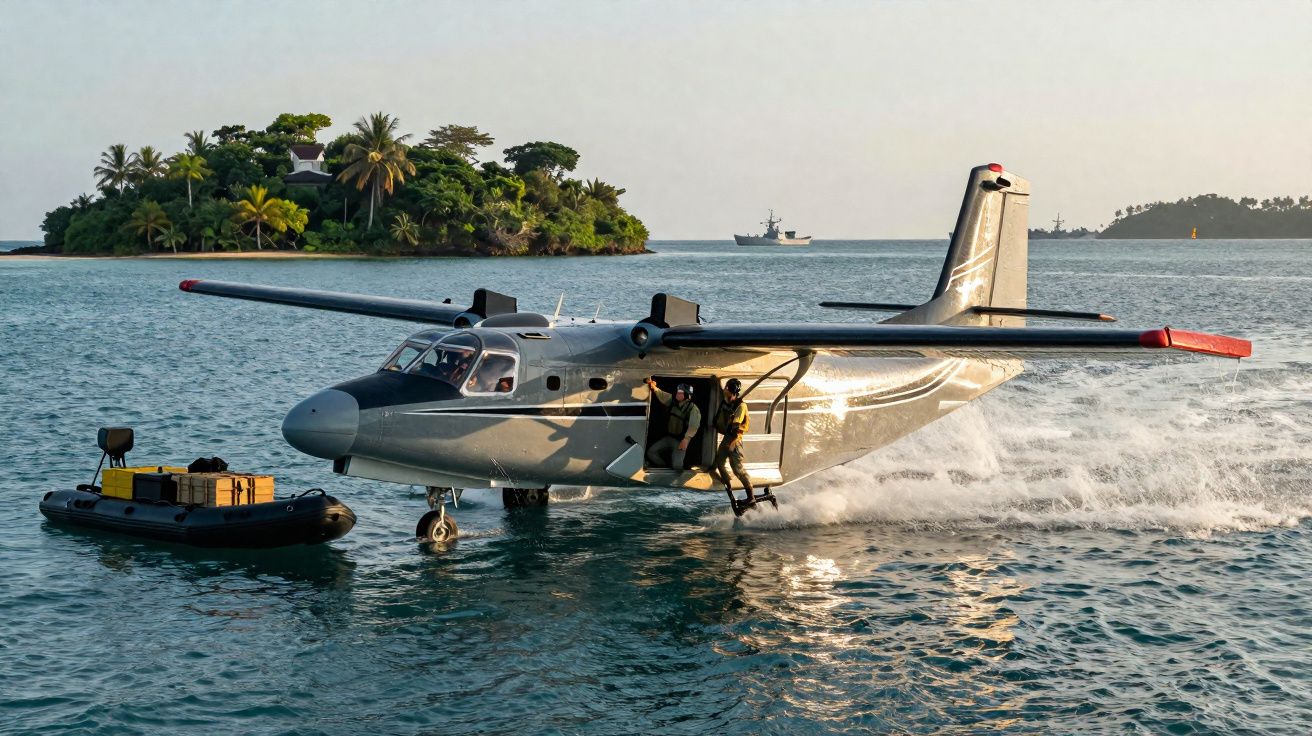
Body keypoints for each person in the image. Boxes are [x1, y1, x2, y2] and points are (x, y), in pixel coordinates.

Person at [712, 377, 754, 505]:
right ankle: (728, 484)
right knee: (719, 461)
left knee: (737, 469)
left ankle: (750, 496)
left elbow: (736, 428)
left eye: (726, 388)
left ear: (731, 391)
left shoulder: (740, 406)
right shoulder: (727, 402)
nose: (724, 390)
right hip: (727, 437)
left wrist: (731, 444)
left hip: (735, 439)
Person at [644, 378, 701, 471]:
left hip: (680, 441)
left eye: (680, 392)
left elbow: (694, 426)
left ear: (686, 395)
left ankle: (678, 481)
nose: (677, 394)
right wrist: (653, 386)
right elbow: (661, 394)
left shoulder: (693, 409)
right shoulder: (673, 401)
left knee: (677, 466)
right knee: (651, 452)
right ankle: (664, 468)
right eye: (678, 392)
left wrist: (686, 439)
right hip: (669, 437)